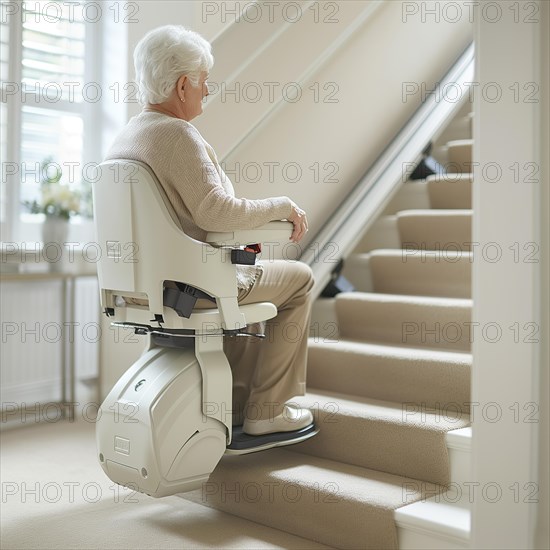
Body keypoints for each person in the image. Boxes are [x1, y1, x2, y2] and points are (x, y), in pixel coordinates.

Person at [105, 25, 315, 438]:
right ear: (183, 85)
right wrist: (282, 207)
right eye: (203, 81)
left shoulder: (127, 136)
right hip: (193, 285)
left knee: (243, 288)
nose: (207, 89)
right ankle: (268, 410)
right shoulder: (176, 134)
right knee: (300, 281)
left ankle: (235, 403)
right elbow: (216, 212)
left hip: (149, 287)